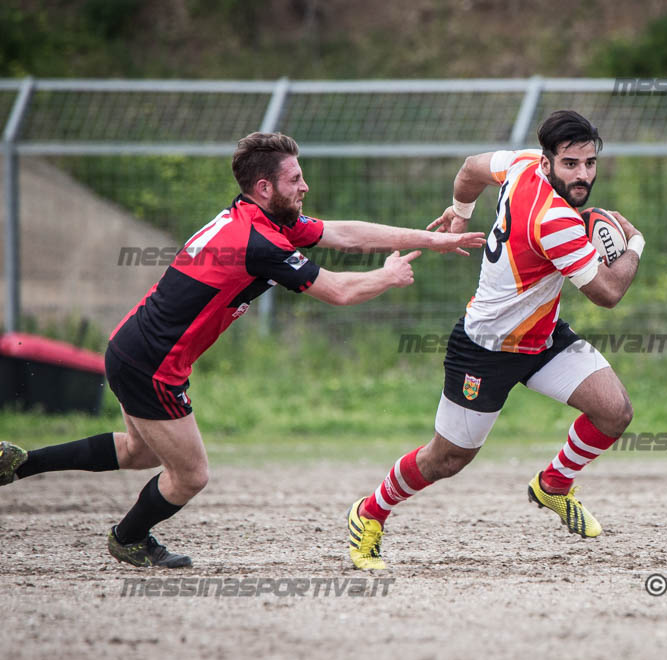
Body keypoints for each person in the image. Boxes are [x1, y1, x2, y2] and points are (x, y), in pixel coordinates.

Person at [0, 131, 485, 568]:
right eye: (295, 178)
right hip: (153, 365)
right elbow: (337, 291)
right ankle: (128, 538)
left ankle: (22, 463)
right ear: (264, 188)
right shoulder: (259, 241)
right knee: (190, 475)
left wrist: (433, 241)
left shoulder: (254, 218)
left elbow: (344, 234)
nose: (305, 187)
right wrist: (387, 277)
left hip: (132, 347)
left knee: (138, 451)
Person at [347, 110, 645, 570]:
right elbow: (608, 293)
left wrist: (460, 211)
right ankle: (370, 512)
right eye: (570, 164)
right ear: (548, 163)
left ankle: (554, 485)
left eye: (589, 162)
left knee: (614, 411)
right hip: (485, 349)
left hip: (542, 338)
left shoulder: (521, 163)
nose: (583, 174)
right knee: (446, 459)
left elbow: (470, 168)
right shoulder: (557, 222)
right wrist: (635, 245)